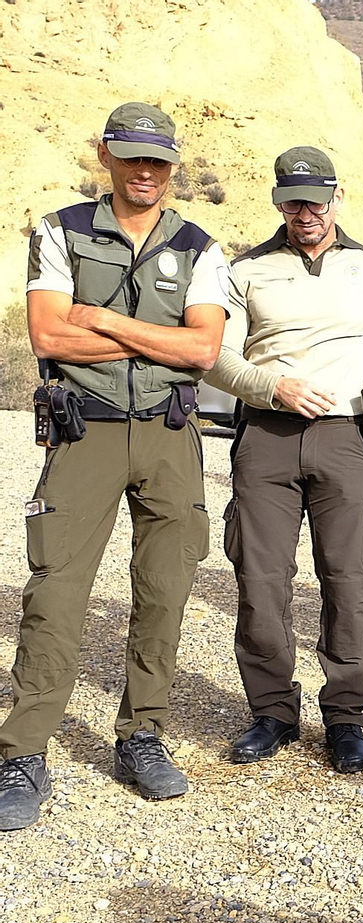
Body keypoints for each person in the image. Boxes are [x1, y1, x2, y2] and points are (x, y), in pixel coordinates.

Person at [0, 102, 226, 831]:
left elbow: (202, 353)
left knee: (163, 591)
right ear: (105, 155)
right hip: (83, 431)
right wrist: (154, 339)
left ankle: (142, 736)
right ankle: (24, 752)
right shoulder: (60, 230)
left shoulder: (199, 246)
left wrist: (97, 319)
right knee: (57, 593)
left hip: (168, 435)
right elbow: (45, 334)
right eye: (131, 156)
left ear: (173, 162)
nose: (145, 171)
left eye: (158, 159)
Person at [209, 147, 363, 774]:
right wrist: (270, 387)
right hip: (267, 435)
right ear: (278, 202)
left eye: (316, 199)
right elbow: (215, 354)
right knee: (260, 581)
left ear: (338, 198)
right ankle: (272, 713)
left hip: (346, 438)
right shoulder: (247, 271)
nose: (305, 211)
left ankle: (345, 717)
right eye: (292, 200)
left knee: (348, 580)